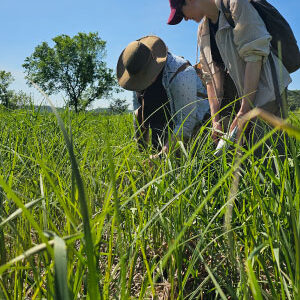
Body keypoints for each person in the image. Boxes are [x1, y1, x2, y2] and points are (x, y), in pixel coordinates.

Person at [167, 0, 292, 157]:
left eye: (181, 13)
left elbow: (254, 57)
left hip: (267, 93)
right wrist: (215, 120)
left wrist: (244, 111)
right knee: (239, 158)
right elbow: (208, 77)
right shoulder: (202, 31)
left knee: (270, 155)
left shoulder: (235, 5)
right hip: (237, 98)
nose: (184, 19)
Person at [116, 35, 210, 155]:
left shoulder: (181, 74)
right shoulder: (138, 72)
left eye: (145, 77)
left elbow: (186, 123)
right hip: (162, 125)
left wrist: (161, 156)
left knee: (182, 162)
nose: (143, 82)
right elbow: (138, 114)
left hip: (196, 127)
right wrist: (143, 154)